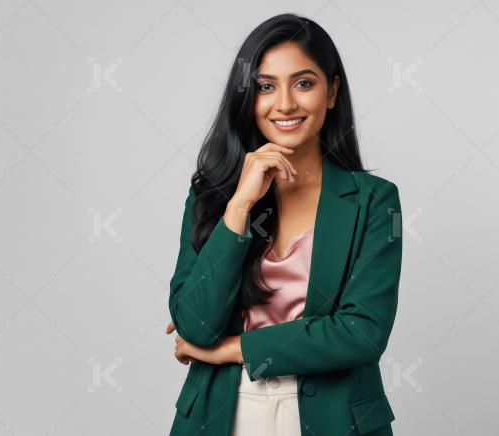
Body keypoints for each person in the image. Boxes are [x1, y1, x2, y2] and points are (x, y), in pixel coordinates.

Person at [165, 13, 402, 436]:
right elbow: (196, 325)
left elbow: (362, 333)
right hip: (222, 415)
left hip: (336, 420)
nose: (286, 104)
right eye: (266, 86)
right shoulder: (211, 196)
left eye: (304, 83)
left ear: (332, 91)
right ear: (247, 96)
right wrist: (239, 206)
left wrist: (235, 348)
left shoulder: (376, 201)